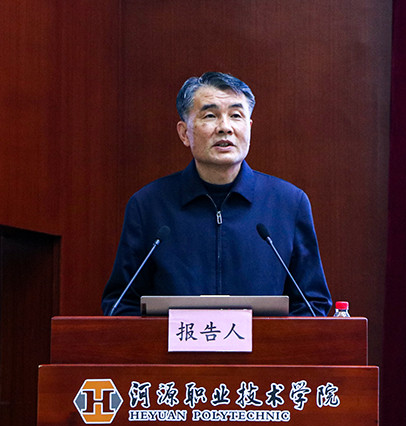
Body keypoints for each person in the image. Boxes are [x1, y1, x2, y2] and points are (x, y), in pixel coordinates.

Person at [101, 72, 332, 316]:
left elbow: (312, 304)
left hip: (262, 343)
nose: (225, 128)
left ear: (249, 128)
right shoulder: (148, 205)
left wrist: (269, 339)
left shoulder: (289, 203)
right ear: (184, 133)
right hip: (175, 343)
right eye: (210, 116)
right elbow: (121, 305)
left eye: (236, 115)